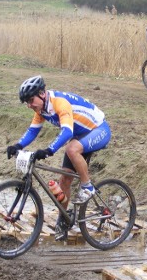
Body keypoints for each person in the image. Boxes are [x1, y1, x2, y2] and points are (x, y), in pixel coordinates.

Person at [6, 76, 111, 207]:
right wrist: (17, 145)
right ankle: (63, 220)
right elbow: (33, 130)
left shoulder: (59, 102)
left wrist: (48, 150)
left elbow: (67, 132)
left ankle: (87, 187)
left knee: (71, 149)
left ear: (41, 94)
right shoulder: (42, 108)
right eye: (26, 102)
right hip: (81, 135)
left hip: (99, 130)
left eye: (31, 100)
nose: (29, 105)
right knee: (65, 180)